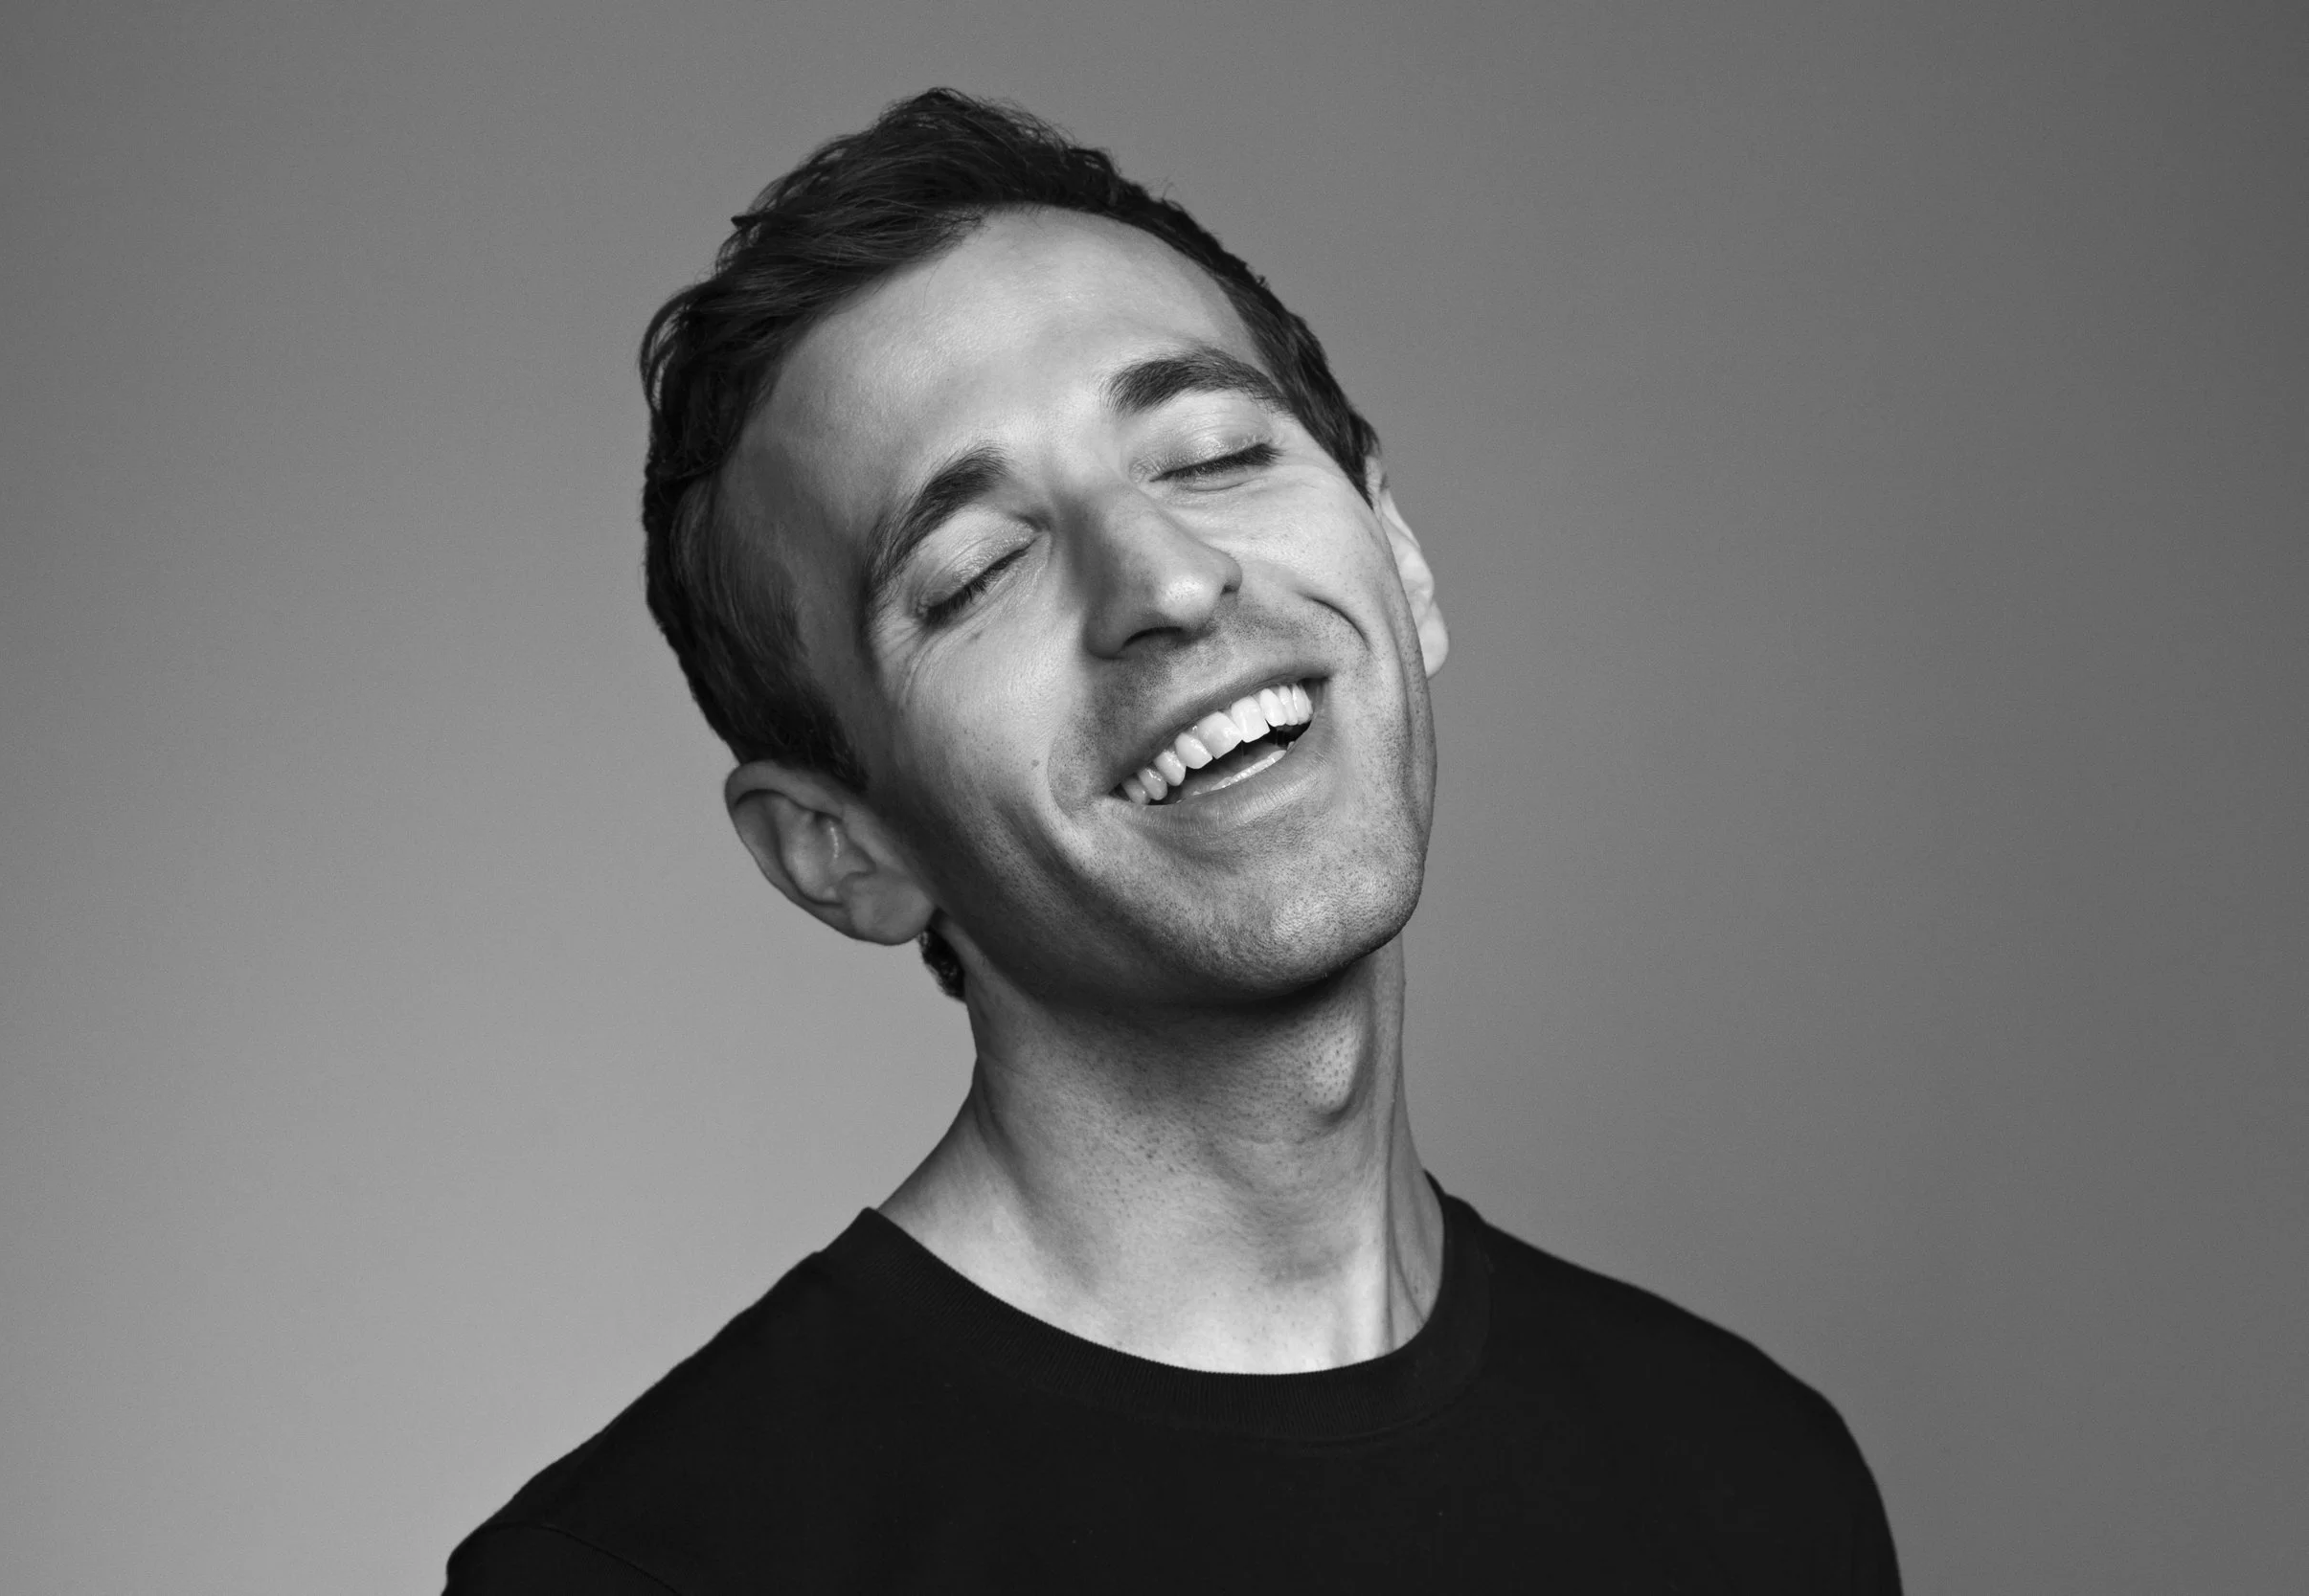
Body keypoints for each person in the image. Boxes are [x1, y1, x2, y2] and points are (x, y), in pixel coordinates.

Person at [445, 88, 1899, 1593]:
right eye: (977, 569)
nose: (1165, 578)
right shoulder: (646, 1568)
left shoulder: (1749, 1473)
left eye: (1211, 454)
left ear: (1397, 557)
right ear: (840, 846)